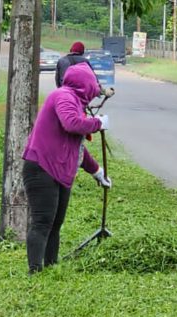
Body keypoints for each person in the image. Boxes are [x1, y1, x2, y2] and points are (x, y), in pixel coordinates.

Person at [22, 62, 112, 273]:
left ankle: (52, 267)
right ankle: (35, 271)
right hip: (41, 168)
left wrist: (97, 172)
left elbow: (77, 146)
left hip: (60, 171)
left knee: (56, 223)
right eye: (93, 86)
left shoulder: (75, 103)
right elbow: (71, 123)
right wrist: (97, 123)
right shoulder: (63, 96)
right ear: (85, 84)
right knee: (42, 221)